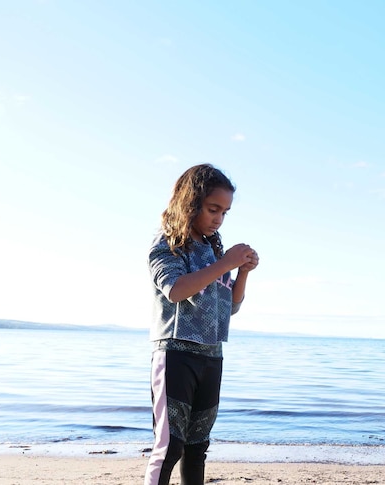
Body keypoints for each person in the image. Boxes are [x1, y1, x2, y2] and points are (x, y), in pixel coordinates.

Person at [144, 164, 259, 485]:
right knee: (170, 446)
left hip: (212, 356)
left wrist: (243, 272)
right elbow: (176, 289)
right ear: (190, 203)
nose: (219, 218)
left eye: (225, 212)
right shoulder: (167, 245)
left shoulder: (212, 251)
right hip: (175, 355)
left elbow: (230, 308)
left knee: (197, 447)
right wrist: (226, 263)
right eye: (213, 209)